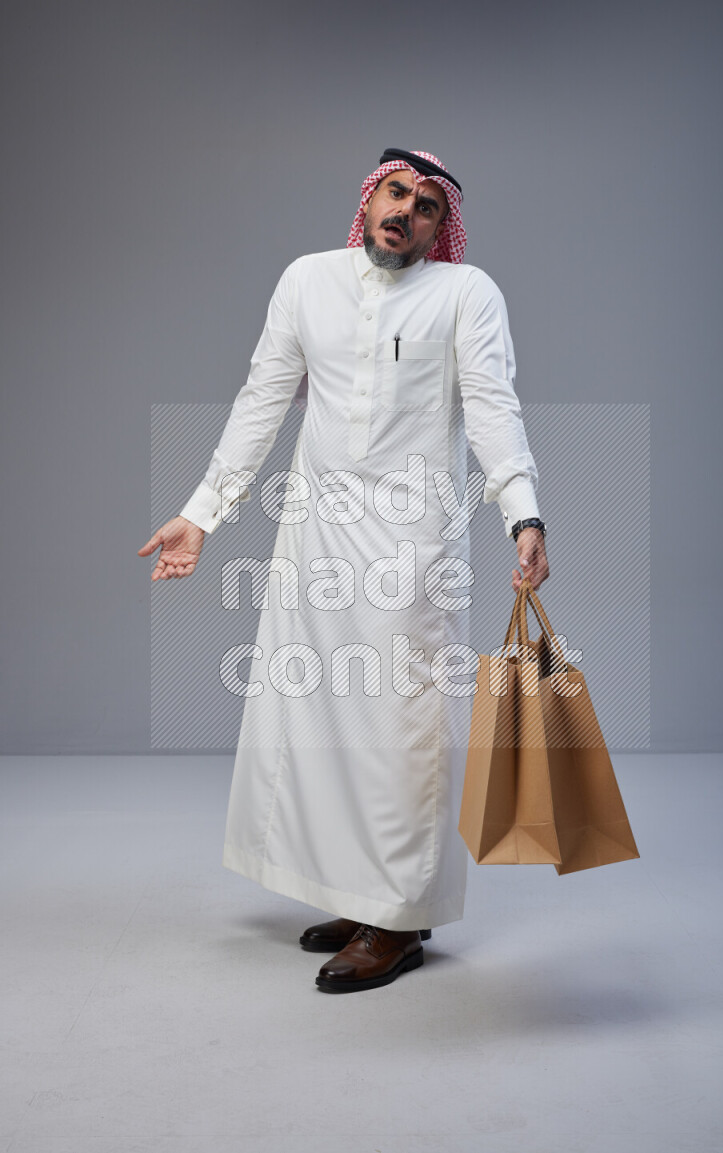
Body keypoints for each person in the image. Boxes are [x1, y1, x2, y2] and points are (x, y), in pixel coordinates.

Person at [138, 149, 549, 994]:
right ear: (369, 199)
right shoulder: (307, 281)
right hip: (315, 535)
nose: (407, 211)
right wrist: (203, 511)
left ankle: (399, 917)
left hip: (411, 544)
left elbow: (494, 408)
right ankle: (363, 896)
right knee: (318, 717)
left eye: (428, 205)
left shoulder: (466, 294)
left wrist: (523, 512)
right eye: (397, 192)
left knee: (402, 729)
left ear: (443, 227)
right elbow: (263, 398)